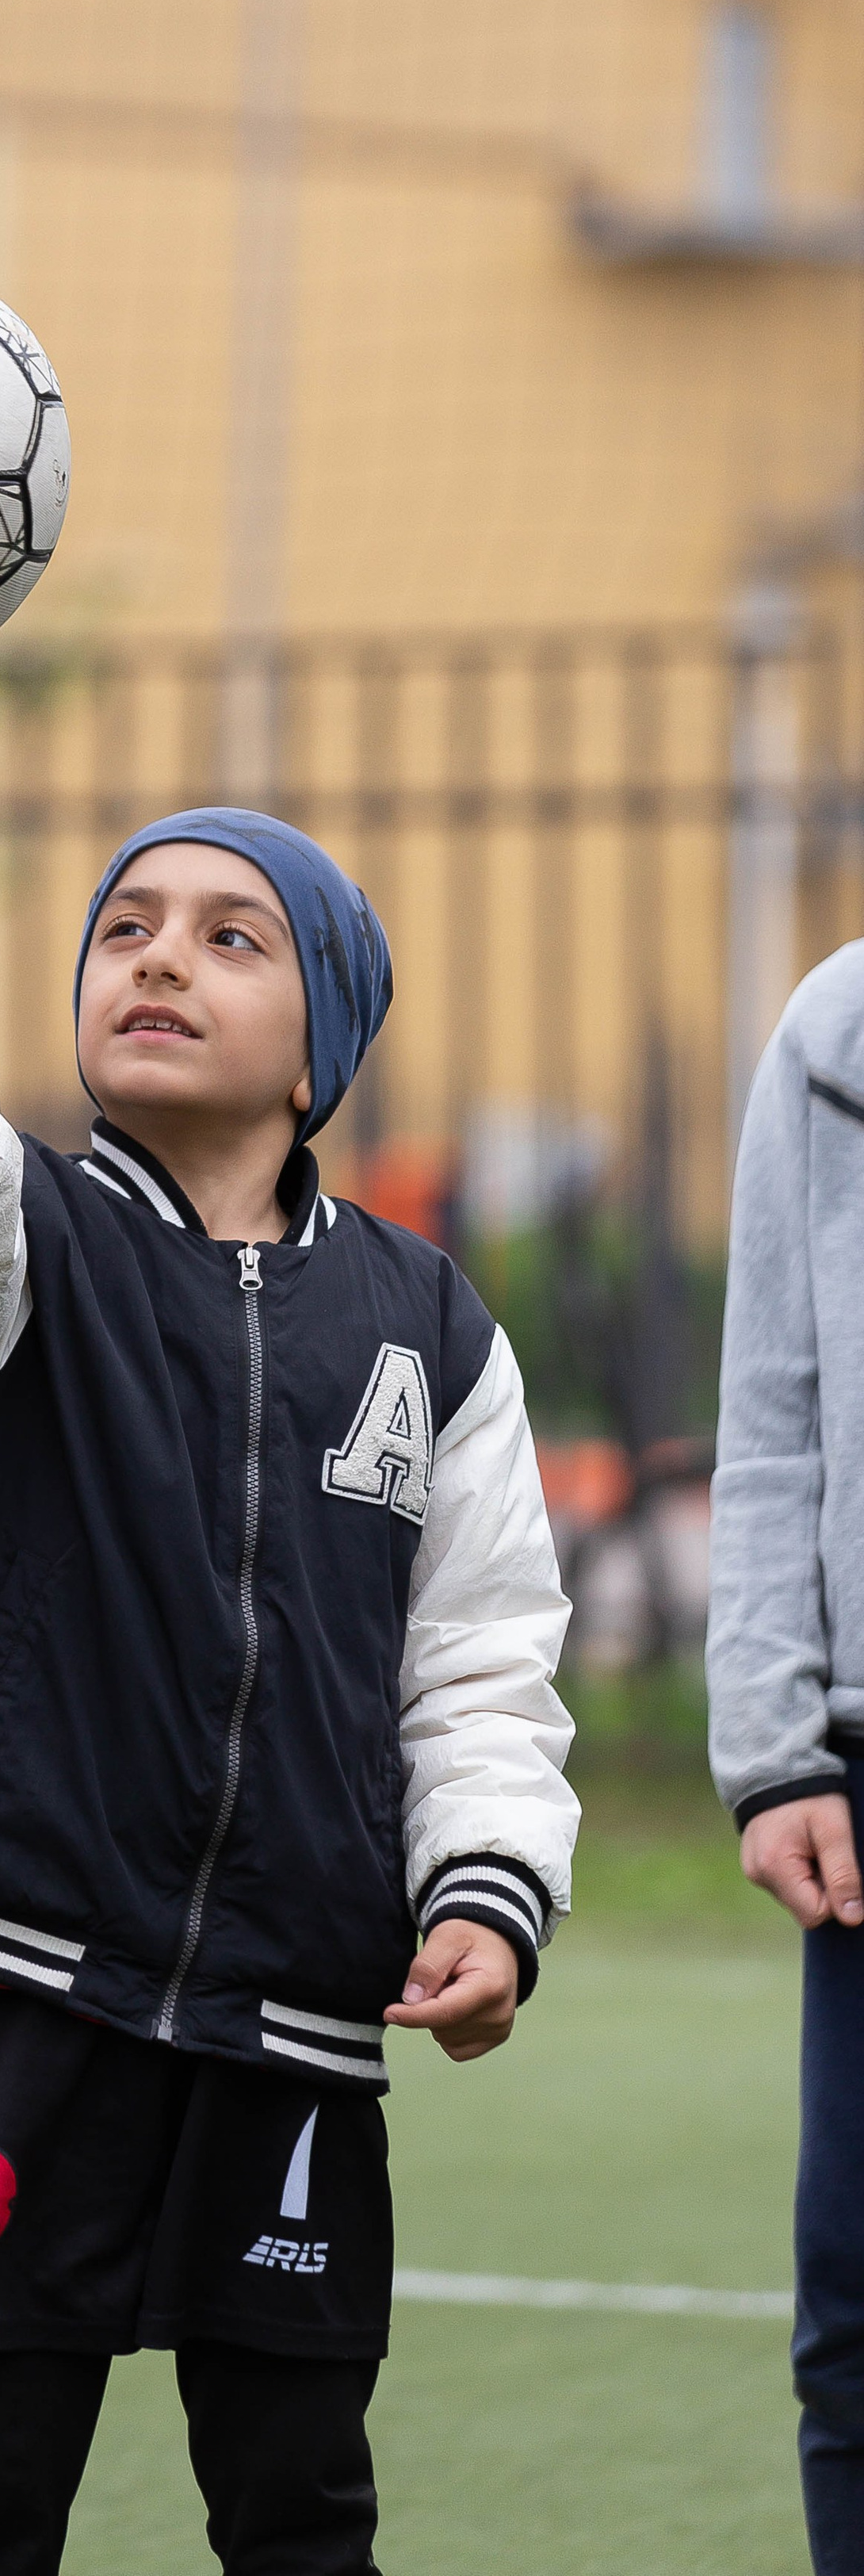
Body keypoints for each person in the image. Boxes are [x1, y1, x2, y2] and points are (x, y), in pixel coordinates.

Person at [0, 697, 579, 2576]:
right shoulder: (17, 1249)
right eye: (127, 926)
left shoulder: (428, 1329)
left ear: (327, 1041)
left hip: (297, 2009)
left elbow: (478, 1655)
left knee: (300, 2506)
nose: (158, 956)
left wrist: (479, 1890)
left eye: (231, 936)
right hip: (24, 1983)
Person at [708, 952, 864, 2574]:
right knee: (849, 2325)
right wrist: (772, 1747)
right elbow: (769, 1413)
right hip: (859, 1770)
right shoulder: (834, 1032)